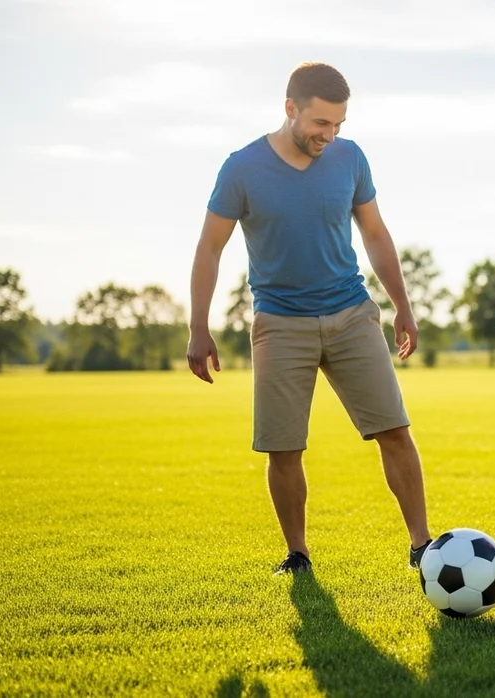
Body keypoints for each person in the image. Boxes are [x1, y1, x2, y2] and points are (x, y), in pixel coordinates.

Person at [185, 62, 432, 575]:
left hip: (351, 313)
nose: (330, 135)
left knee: (395, 430)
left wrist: (402, 306)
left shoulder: (350, 158)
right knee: (283, 447)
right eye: (321, 124)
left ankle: (422, 545)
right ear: (290, 108)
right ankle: (297, 554)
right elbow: (210, 248)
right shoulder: (241, 168)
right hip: (279, 324)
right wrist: (198, 326)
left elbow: (376, 234)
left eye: (339, 124)